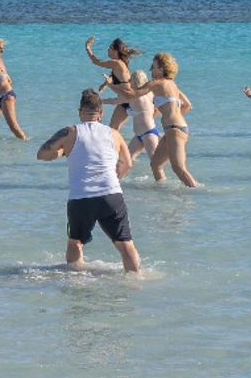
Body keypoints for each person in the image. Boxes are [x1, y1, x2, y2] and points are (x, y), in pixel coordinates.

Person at [36, 88, 142, 273]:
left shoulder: (70, 132)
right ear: (101, 113)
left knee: (76, 243)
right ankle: (136, 283)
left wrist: (62, 151)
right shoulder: (114, 134)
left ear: (80, 112)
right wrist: (115, 179)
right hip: (111, 194)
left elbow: (42, 154)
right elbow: (127, 163)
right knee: (126, 245)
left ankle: (76, 284)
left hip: (81, 198)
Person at [115, 53, 201, 187]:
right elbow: (188, 106)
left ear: (161, 69)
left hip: (175, 130)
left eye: (153, 67)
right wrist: (173, 116)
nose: (150, 70)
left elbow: (131, 95)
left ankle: (196, 194)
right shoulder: (173, 85)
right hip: (175, 129)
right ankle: (161, 192)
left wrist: (112, 84)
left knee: (178, 168)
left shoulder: (156, 83)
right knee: (156, 164)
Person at [84, 36, 142, 133]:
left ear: (115, 51)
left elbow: (96, 62)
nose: (108, 50)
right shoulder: (120, 64)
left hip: (126, 100)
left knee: (113, 129)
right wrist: (105, 84)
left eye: (110, 48)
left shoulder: (116, 63)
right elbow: (117, 78)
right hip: (126, 102)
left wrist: (88, 48)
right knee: (114, 129)